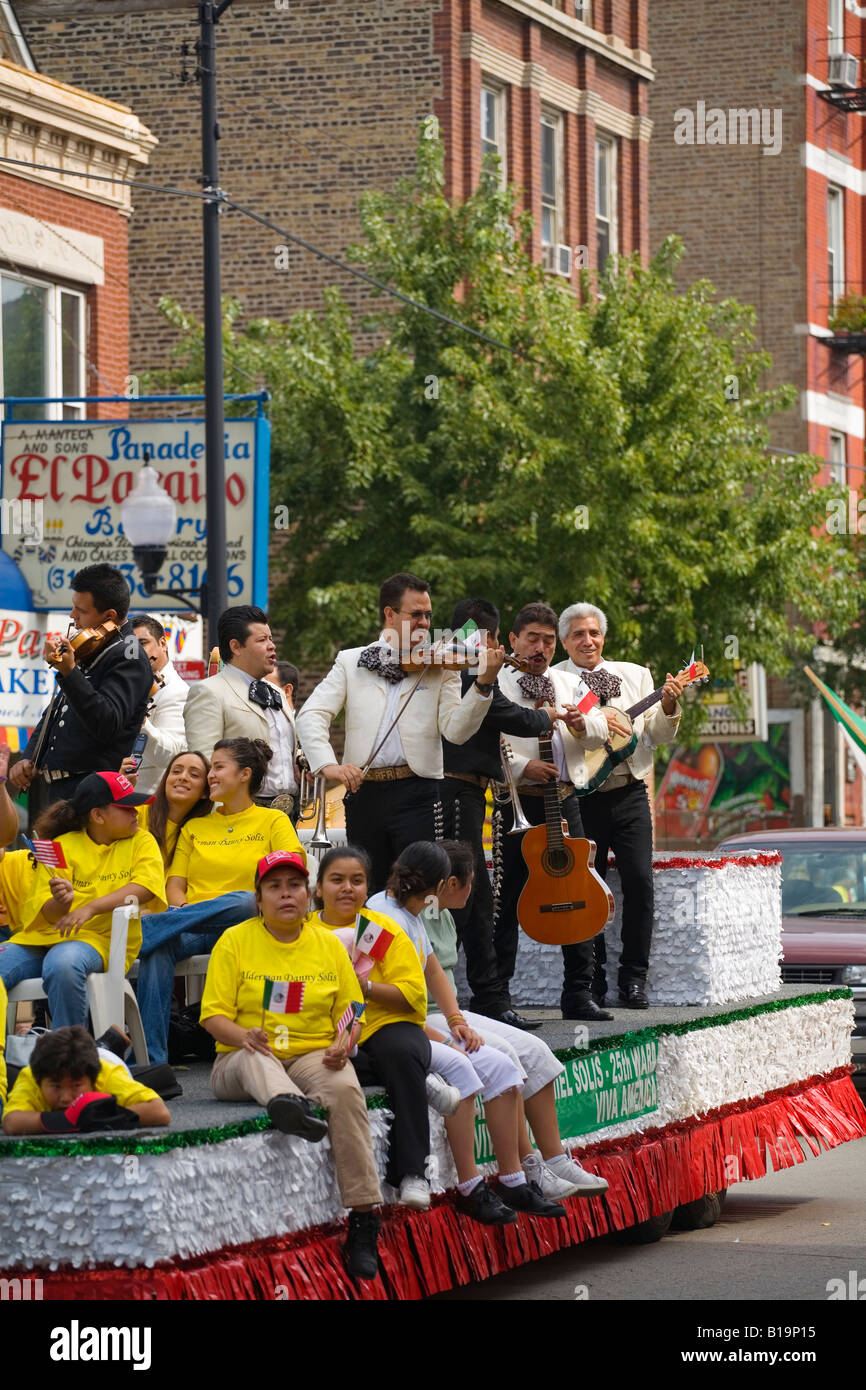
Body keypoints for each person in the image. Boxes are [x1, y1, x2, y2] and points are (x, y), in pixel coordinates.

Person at [200, 850, 383, 1281]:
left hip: (310, 1053)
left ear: (309, 894)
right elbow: (212, 1016)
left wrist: (345, 1042)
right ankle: (289, 1104)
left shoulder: (327, 943)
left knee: (344, 1089)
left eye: (295, 886)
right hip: (240, 1058)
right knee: (255, 1056)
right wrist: (243, 1035)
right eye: (274, 887)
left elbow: (352, 1008)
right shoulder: (235, 940)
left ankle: (363, 1219)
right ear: (258, 898)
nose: (286, 895)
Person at [368, 841, 568, 1221]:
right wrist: (444, 1037)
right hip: (395, 1029)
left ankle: (512, 1180)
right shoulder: (381, 917)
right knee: (469, 1065)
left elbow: (431, 970)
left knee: (505, 1070)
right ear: (441, 885)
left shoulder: (409, 912)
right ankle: (470, 1186)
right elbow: (379, 999)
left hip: (418, 1024)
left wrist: (457, 1020)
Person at [296, 572, 505, 891]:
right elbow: (311, 713)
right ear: (390, 614)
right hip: (363, 793)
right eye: (416, 614)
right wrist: (328, 765)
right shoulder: (352, 662)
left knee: (418, 891)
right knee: (369, 889)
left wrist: (483, 685)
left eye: (429, 615)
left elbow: (456, 731)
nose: (425, 622)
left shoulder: (440, 666)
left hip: (418, 792)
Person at [425, 840, 609, 1199]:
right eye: (470, 881)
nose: (473, 888)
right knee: (505, 1052)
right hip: (429, 1016)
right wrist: (450, 1027)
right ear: (449, 884)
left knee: (535, 1049)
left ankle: (555, 1158)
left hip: (452, 1012)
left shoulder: (443, 914)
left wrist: (457, 1018)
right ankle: (527, 1166)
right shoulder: (410, 917)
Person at [441, 597, 577, 1031]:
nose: (502, 647)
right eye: (499, 638)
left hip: (472, 789)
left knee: (479, 899)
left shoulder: (471, 666)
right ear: (486, 636)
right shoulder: (466, 668)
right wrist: (545, 717)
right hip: (454, 789)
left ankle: (486, 998)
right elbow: (503, 715)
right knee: (472, 899)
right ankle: (483, 999)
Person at [495, 602, 628, 1021]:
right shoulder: (494, 682)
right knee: (509, 899)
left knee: (578, 890)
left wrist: (580, 726)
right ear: (513, 640)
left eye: (548, 641)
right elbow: (482, 743)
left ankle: (577, 994)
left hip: (565, 797)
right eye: (531, 638)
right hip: (517, 800)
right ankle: (498, 1000)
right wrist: (521, 768)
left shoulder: (569, 683)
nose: (540, 647)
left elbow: (603, 730)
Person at [135, 738, 304, 1065]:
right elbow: (175, 884)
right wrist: (181, 912)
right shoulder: (195, 827)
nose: (210, 775)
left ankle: (155, 927)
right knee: (160, 946)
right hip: (195, 925)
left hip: (249, 923)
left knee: (243, 902)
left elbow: (291, 871)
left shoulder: (273, 821)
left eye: (218, 767)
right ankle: (151, 1061)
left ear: (244, 774)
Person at [555, 603, 683, 1008]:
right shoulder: (554, 680)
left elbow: (656, 736)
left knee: (640, 883)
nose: (587, 640)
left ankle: (634, 978)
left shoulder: (636, 675)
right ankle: (590, 980)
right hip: (580, 798)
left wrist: (667, 706)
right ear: (565, 641)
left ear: (603, 637)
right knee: (584, 888)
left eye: (593, 633)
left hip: (630, 792)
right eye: (578, 634)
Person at [311, 845, 436, 1212]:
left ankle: (413, 1173)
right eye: (336, 880)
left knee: (402, 1054)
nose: (347, 888)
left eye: (357, 881)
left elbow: (414, 994)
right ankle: (418, 1078)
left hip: (382, 1025)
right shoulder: (304, 932)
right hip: (324, 1030)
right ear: (318, 889)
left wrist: (363, 987)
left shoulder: (379, 929)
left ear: (368, 890)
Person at [0, 772, 165, 1028]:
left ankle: (71, 1058)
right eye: (126, 807)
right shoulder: (63, 844)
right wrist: (62, 901)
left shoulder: (142, 840)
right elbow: (49, 914)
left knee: (63, 963)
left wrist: (90, 907)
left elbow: (145, 888)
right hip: (41, 940)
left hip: (99, 941)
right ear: (98, 815)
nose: (136, 812)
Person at [7, 564, 154, 823]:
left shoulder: (128, 654)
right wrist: (31, 755)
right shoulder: (94, 645)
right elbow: (59, 709)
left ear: (109, 616)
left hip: (92, 792)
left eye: (81, 610)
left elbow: (107, 721)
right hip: (59, 789)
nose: (72, 616)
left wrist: (70, 673)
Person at [183, 606, 299, 816]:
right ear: (236, 647)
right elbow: (204, 763)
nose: (272, 646)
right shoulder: (209, 691)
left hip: (288, 813)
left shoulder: (277, 692)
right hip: (238, 815)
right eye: (262, 640)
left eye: (271, 639)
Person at [2, 1025, 169, 1135]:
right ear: (39, 1081)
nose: (66, 1097)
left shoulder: (107, 1074)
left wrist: (100, 1117)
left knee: (163, 1077)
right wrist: (72, 1119)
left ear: (93, 1080)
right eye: (56, 1086)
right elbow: (11, 1123)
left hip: (107, 1059)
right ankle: (106, 1042)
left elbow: (160, 1113)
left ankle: (106, 1046)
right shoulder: (31, 1075)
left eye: (76, 1085)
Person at [121, 615, 190, 795]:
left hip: (148, 800)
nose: (136, 651)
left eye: (142, 643)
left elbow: (170, 756)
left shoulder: (177, 691)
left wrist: (141, 721)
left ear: (163, 644)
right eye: (130, 646)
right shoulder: (128, 684)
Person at [136, 750, 214, 866]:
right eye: (176, 771)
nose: (183, 777)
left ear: (205, 792)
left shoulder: (205, 832)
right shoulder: (136, 813)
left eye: (194, 775)